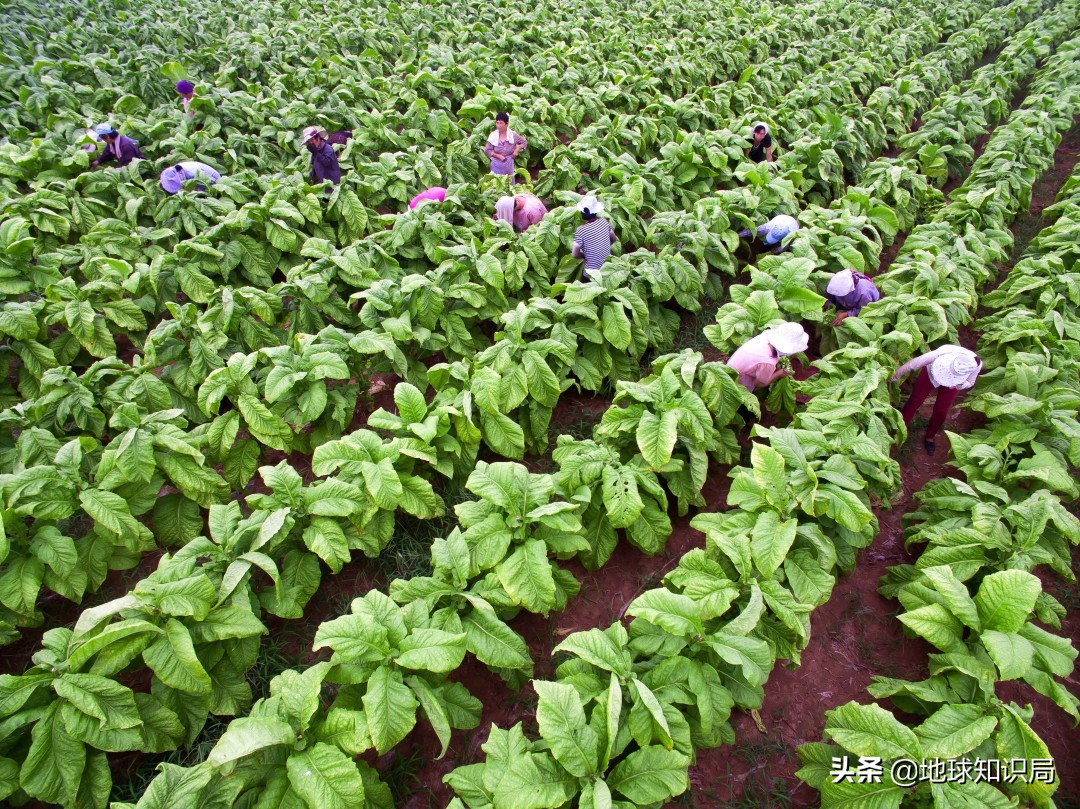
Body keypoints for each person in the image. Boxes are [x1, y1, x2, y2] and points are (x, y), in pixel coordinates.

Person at [892, 345, 981, 454]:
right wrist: (893, 377)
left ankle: (930, 437)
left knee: (941, 411)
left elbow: (971, 382)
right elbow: (913, 364)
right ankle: (899, 431)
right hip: (931, 373)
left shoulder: (975, 364)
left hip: (954, 383)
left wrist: (960, 384)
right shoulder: (938, 354)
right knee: (915, 401)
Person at [726, 322, 809, 393]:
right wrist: (779, 373)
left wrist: (778, 359)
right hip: (736, 383)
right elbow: (759, 384)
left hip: (729, 370)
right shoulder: (768, 362)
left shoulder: (765, 337)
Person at [572, 196, 616, 280]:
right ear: (596, 211)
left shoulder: (581, 230)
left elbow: (574, 254)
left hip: (591, 274)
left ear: (582, 213)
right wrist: (603, 245)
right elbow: (614, 239)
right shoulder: (604, 222)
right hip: (607, 269)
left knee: (582, 286)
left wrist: (583, 256)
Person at [483, 112, 527, 181]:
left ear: (506, 124)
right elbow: (487, 150)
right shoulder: (493, 135)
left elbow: (524, 142)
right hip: (496, 165)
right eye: (497, 123)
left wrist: (517, 150)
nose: (498, 125)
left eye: (501, 123)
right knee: (496, 183)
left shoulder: (513, 135)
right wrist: (499, 156)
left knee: (509, 183)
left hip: (508, 164)